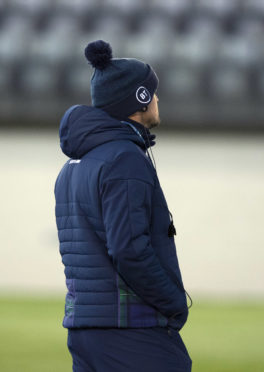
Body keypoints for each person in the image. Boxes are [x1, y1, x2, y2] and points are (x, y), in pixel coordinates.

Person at [54, 40, 191, 372]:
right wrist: (173, 302)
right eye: (152, 92)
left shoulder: (73, 166)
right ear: (140, 99)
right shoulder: (124, 159)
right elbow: (128, 248)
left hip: (85, 329)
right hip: (130, 330)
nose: (158, 99)